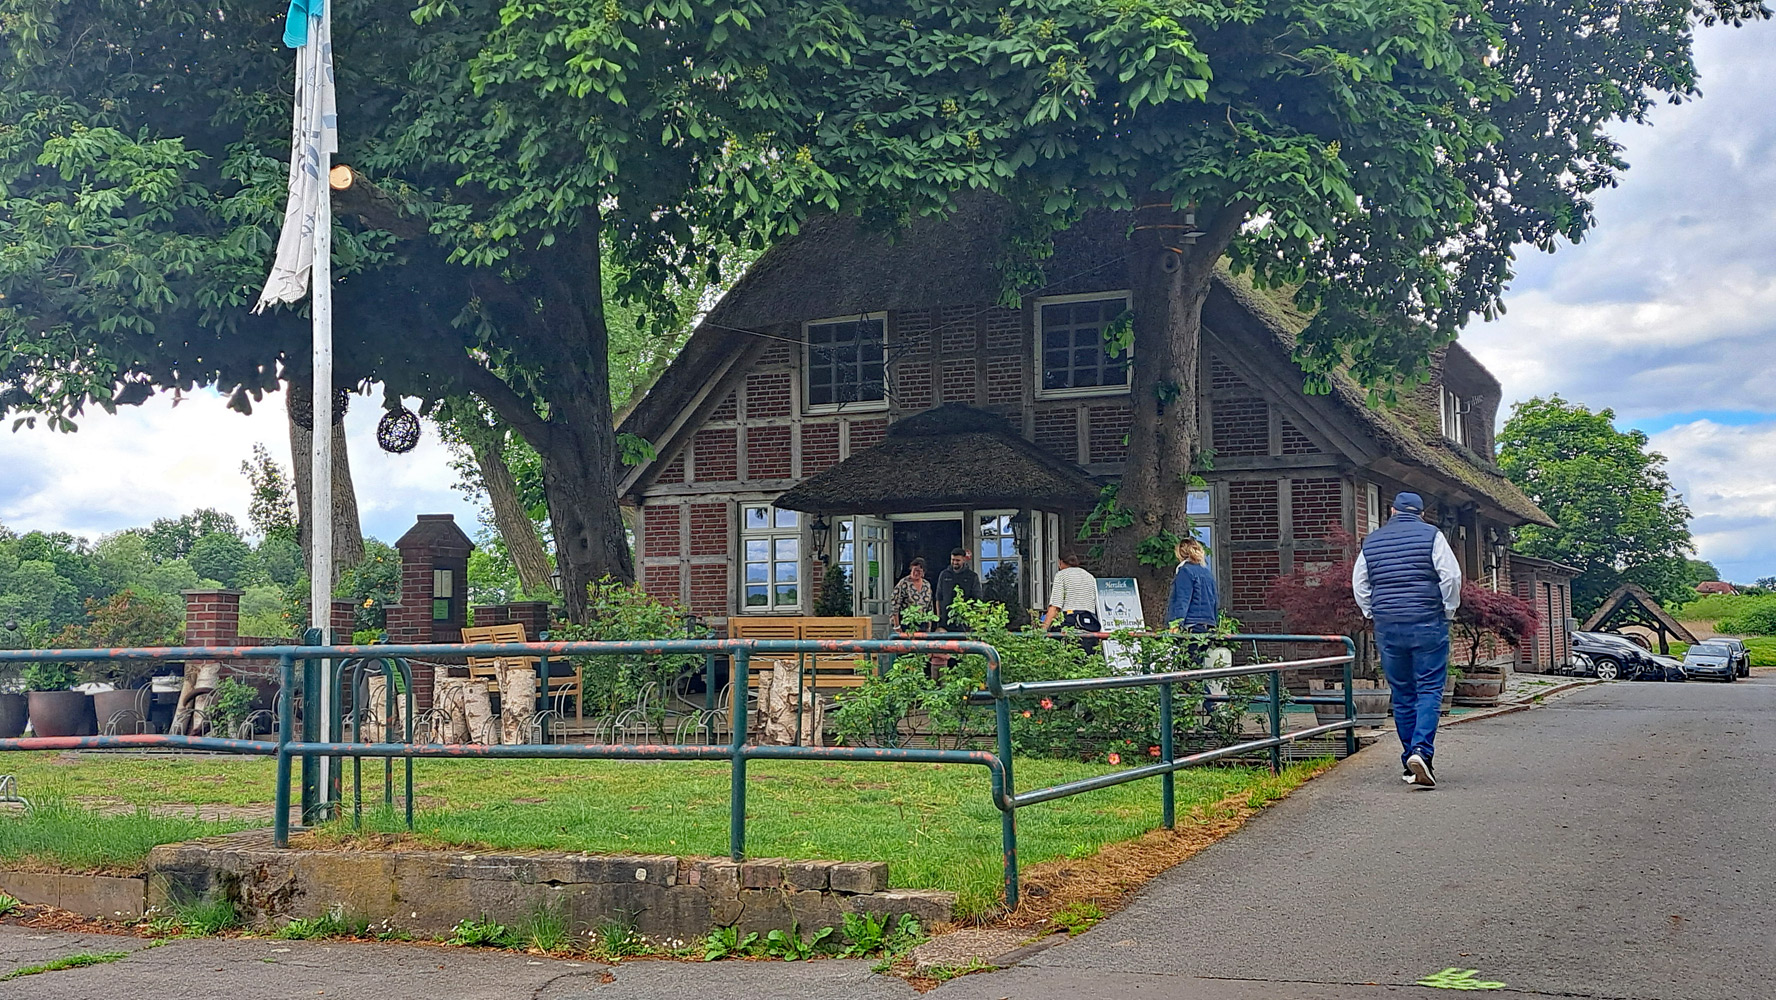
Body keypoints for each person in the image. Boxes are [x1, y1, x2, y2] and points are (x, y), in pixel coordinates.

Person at [1351, 492, 1462, 790]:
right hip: (1427, 622)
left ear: (1392, 511)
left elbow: (1359, 583)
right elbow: (1450, 577)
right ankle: (1421, 752)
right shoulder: (1432, 536)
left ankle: (1409, 760)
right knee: (1428, 687)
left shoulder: (1371, 542)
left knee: (1401, 693)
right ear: (1421, 514)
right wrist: (1448, 609)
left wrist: (1372, 612)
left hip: (1389, 626)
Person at [1041, 553, 1101, 651]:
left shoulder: (1061, 575)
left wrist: (1043, 629)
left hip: (1070, 624)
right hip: (1090, 624)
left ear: (1060, 563)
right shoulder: (1089, 576)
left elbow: (1055, 607)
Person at [1166, 538, 1219, 632]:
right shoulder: (1207, 573)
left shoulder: (1185, 571)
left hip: (1191, 624)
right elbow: (1214, 600)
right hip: (1209, 624)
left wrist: (1175, 624)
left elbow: (1182, 600)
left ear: (1179, 554)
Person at [935, 548, 981, 632]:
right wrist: (939, 619)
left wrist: (974, 621)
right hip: (945, 622)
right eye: (953, 560)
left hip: (965, 622)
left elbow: (977, 599)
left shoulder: (972, 576)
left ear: (964, 559)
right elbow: (938, 597)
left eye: (957, 560)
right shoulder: (944, 575)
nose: (955, 562)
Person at [890, 557, 937, 633]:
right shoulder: (904, 583)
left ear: (923, 572)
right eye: (914, 570)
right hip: (906, 623)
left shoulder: (926, 585)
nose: (916, 573)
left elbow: (930, 606)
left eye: (919, 571)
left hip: (922, 623)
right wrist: (897, 625)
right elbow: (895, 605)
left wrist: (929, 625)